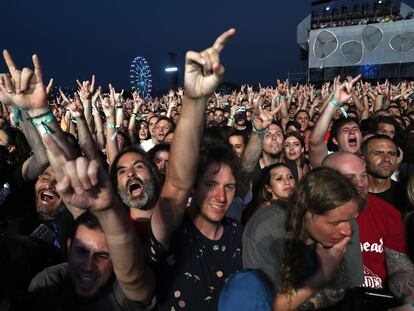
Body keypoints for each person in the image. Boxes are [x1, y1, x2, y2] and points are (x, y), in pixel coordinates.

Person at [0, 49, 155, 310]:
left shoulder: (120, 298)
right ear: (69, 247)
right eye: (82, 252)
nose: (89, 265)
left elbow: (135, 279)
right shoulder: (46, 285)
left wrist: (106, 209)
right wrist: (39, 114)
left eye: (103, 255)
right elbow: (60, 167)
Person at [148, 28, 244, 311]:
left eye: (229, 187)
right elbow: (175, 185)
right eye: (211, 185)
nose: (221, 197)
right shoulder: (172, 231)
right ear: (194, 186)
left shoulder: (240, 236)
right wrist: (195, 99)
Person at [243, 167, 364, 310]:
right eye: (335, 223)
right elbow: (264, 306)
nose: (347, 230)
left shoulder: (346, 222)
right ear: (307, 213)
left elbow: (349, 291)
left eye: (349, 220)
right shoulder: (265, 230)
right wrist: (323, 273)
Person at [323, 152, 414, 307]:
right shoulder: (312, 217)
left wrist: (410, 301)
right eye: (350, 178)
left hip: (375, 301)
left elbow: (400, 269)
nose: (360, 184)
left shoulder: (387, 213)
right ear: (325, 181)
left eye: (363, 176)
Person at [361, 134, 406, 213]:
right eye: (378, 153)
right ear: (363, 160)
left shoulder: (406, 194)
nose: (386, 159)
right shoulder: (351, 196)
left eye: (392, 154)